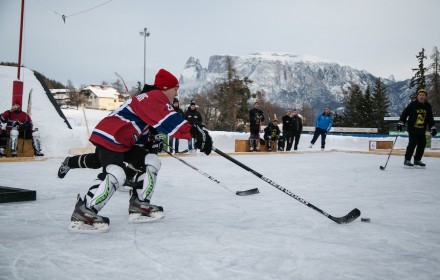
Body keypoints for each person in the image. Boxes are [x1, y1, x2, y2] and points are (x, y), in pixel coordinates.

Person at [68, 69, 213, 233]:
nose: (176, 93)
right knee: (116, 173)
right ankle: (85, 211)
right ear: (165, 88)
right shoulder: (154, 97)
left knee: (151, 160)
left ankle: (139, 204)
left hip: (124, 142)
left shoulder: (152, 99)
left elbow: (144, 127)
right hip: (111, 137)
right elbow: (169, 119)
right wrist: (194, 133)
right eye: (175, 89)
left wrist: (151, 142)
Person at [398, 89, 436, 167]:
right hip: (412, 128)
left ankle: (417, 160)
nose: (421, 96)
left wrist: (432, 127)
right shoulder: (413, 104)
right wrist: (401, 122)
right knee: (413, 143)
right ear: (417, 96)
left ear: (425, 97)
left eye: (423, 95)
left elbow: (430, 118)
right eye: (420, 95)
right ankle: (407, 160)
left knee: (422, 144)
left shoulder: (427, 106)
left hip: (422, 129)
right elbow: (405, 113)